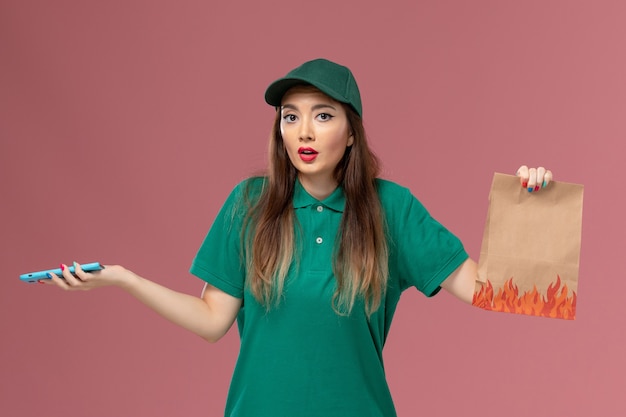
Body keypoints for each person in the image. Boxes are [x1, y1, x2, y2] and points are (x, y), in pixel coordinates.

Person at [44, 58, 553, 417]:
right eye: (291, 116)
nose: (304, 132)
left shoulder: (390, 209)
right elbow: (211, 320)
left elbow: (492, 292)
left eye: (323, 115)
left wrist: (530, 208)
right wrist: (123, 280)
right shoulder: (249, 204)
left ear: (351, 132)